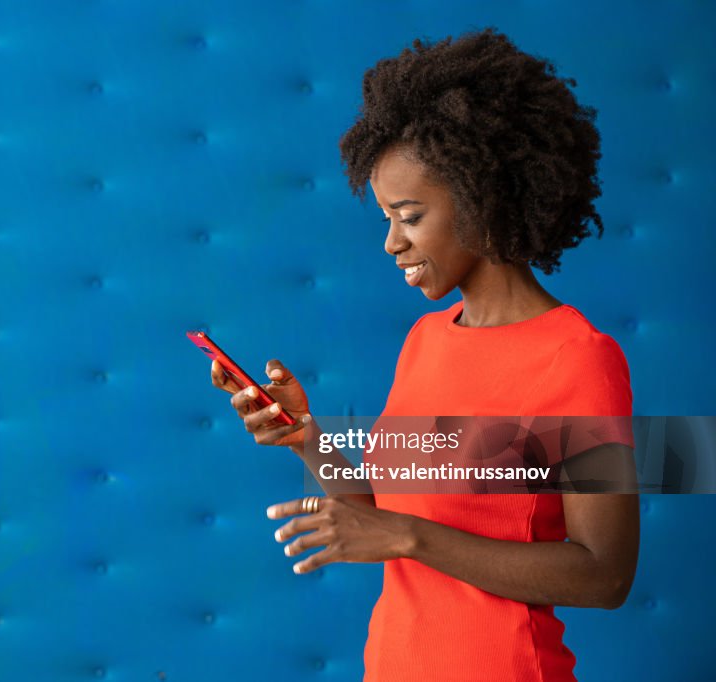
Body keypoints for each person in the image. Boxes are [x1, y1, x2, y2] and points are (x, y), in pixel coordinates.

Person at [209, 28, 639, 681]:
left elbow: (604, 575)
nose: (390, 243)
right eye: (386, 218)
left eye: (408, 216)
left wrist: (412, 540)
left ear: (480, 197)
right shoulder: (427, 340)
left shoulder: (578, 358)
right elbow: (385, 521)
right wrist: (307, 441)